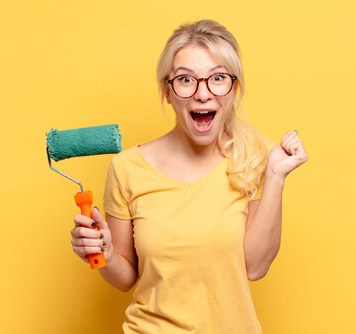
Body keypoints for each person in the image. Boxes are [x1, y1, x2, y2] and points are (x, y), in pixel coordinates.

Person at [70, 19, 308, 333]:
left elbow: (255, 267)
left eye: (218, 78)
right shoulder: (127, 168)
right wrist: (106, 252)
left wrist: (276, 176)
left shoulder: (256, 158)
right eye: (186, 80)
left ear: (234, 89)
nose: (203, 94)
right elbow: (126, 277)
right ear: (167, 92)